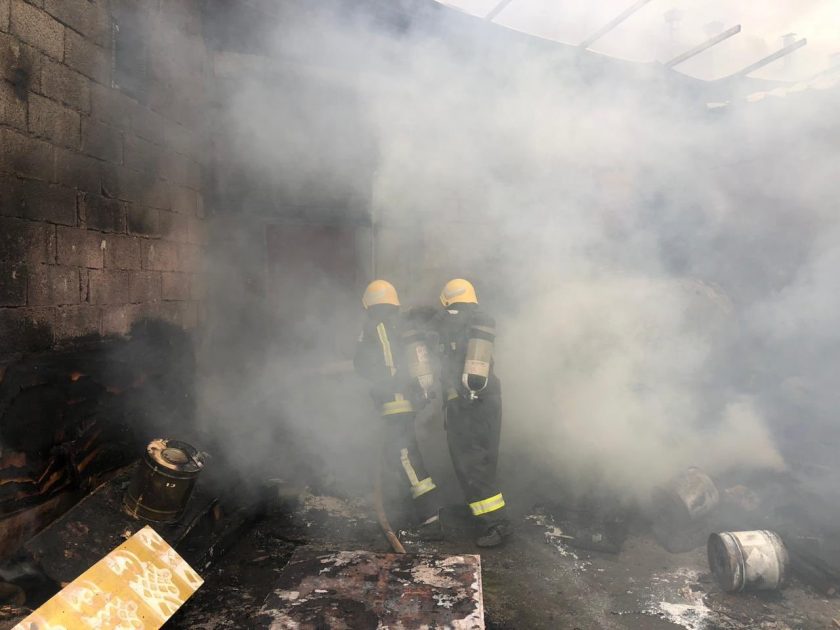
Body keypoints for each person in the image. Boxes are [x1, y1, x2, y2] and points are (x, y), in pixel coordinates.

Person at [353, 280, 443, 540]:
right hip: (400, 401)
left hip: (396, 401)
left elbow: (388, 362)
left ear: (370, 304)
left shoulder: (380, 325)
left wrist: (384, 385)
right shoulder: (397, 324)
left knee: (405, 457)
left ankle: (431, 518)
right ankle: (416, 513)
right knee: (400, 456)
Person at [434, 278, 510, 547]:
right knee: (483, 460)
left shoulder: (451, 323)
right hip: (488, 400)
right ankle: (481, 514)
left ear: (447, 300)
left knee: (472, 463)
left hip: (467, 403)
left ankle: (496, 524)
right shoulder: (475, 323)